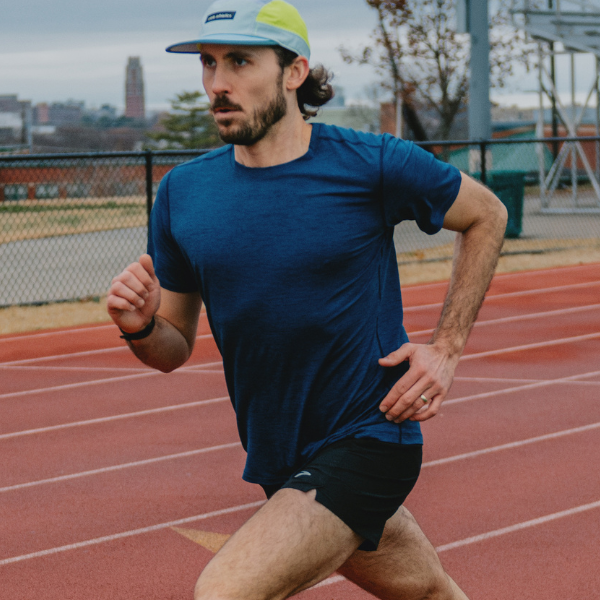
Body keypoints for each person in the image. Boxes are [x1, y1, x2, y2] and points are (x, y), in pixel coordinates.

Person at [107, 1, 508, 598]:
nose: (219, 83)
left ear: (294, 72)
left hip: (370, 434)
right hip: (279, 453)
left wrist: (445, 348)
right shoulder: (183, 194)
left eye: (240, 62)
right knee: (428, 591)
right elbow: (173, 349)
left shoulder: (369, 164)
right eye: (210, 64)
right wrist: (140, 326)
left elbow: (487, 214)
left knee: (225, 592)